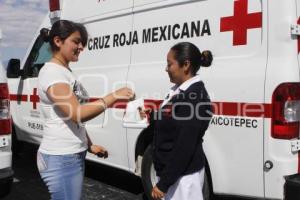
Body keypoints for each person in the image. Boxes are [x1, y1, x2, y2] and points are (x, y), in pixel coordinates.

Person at [36, 20, 134, 200]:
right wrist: (113, 96)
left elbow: (73, 117)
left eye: (82, 42)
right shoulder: (52, 73)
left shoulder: (65, 72)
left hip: (70, 154)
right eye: (76, 41)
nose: (81, 47)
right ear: (58, 41)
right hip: (61, 157)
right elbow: (77, 114)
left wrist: (89, 145)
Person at [141, 42, 213, 200]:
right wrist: (153, 115)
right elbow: (173, 118)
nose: (166, 68)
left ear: (186, 65)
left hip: (183, 179)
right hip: (175, 175)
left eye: (169, 64)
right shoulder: (179, 90)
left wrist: (164, 183)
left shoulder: (194, 98)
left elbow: (184, 146)